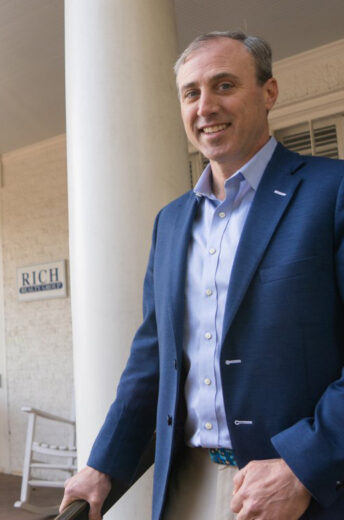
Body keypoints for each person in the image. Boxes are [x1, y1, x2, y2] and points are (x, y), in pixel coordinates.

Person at [59, 31, 344, 520]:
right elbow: (151, 362)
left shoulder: (332, 192)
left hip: (298, 493)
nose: (205, 106)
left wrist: (304, 464)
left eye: (224, 85)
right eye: (191, 93)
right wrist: (102, 466)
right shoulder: (169, 223)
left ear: (269, 92)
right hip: (183, 488)